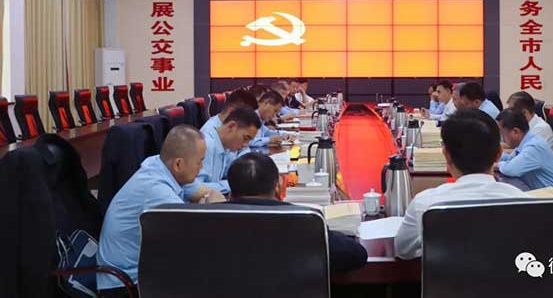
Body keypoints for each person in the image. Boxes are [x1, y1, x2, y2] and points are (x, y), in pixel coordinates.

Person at [97, 125, 221, 295]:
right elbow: (196, 237)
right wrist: (208, 206)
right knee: (208, 271)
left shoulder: (160, 165)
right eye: (199, 162)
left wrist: (207, 202)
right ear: (179, 164)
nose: (201, 168)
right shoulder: (157, 191)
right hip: (124, 284)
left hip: (142, 267)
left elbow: (204, 192)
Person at [395, 109, 527, 259]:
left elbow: (403, 250)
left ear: (446, 155)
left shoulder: (425, 204)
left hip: (445, 275)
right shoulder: (523, 201)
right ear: (499, 154)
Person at [224, 152, 368, 272]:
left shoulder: (213, 221)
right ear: (278, 187)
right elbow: (356, 255)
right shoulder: (305, 220)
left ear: (230, 194)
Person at [184, 107, 262, 201]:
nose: (245, 145)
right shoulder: (206, 146)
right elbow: (190, 187)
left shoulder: (225, 146)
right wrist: (234, 185)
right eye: (245, 138)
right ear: (231, 126)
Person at [496, 109, 553, 192]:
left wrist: (497, 165)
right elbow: (509, 159)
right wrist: (492, 154)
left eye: (502, 133)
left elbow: (510, 169)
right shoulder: (526, 141)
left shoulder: (534, 147)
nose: (502, 138)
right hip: (542, 191)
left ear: (515, 131)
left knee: (504, 185)